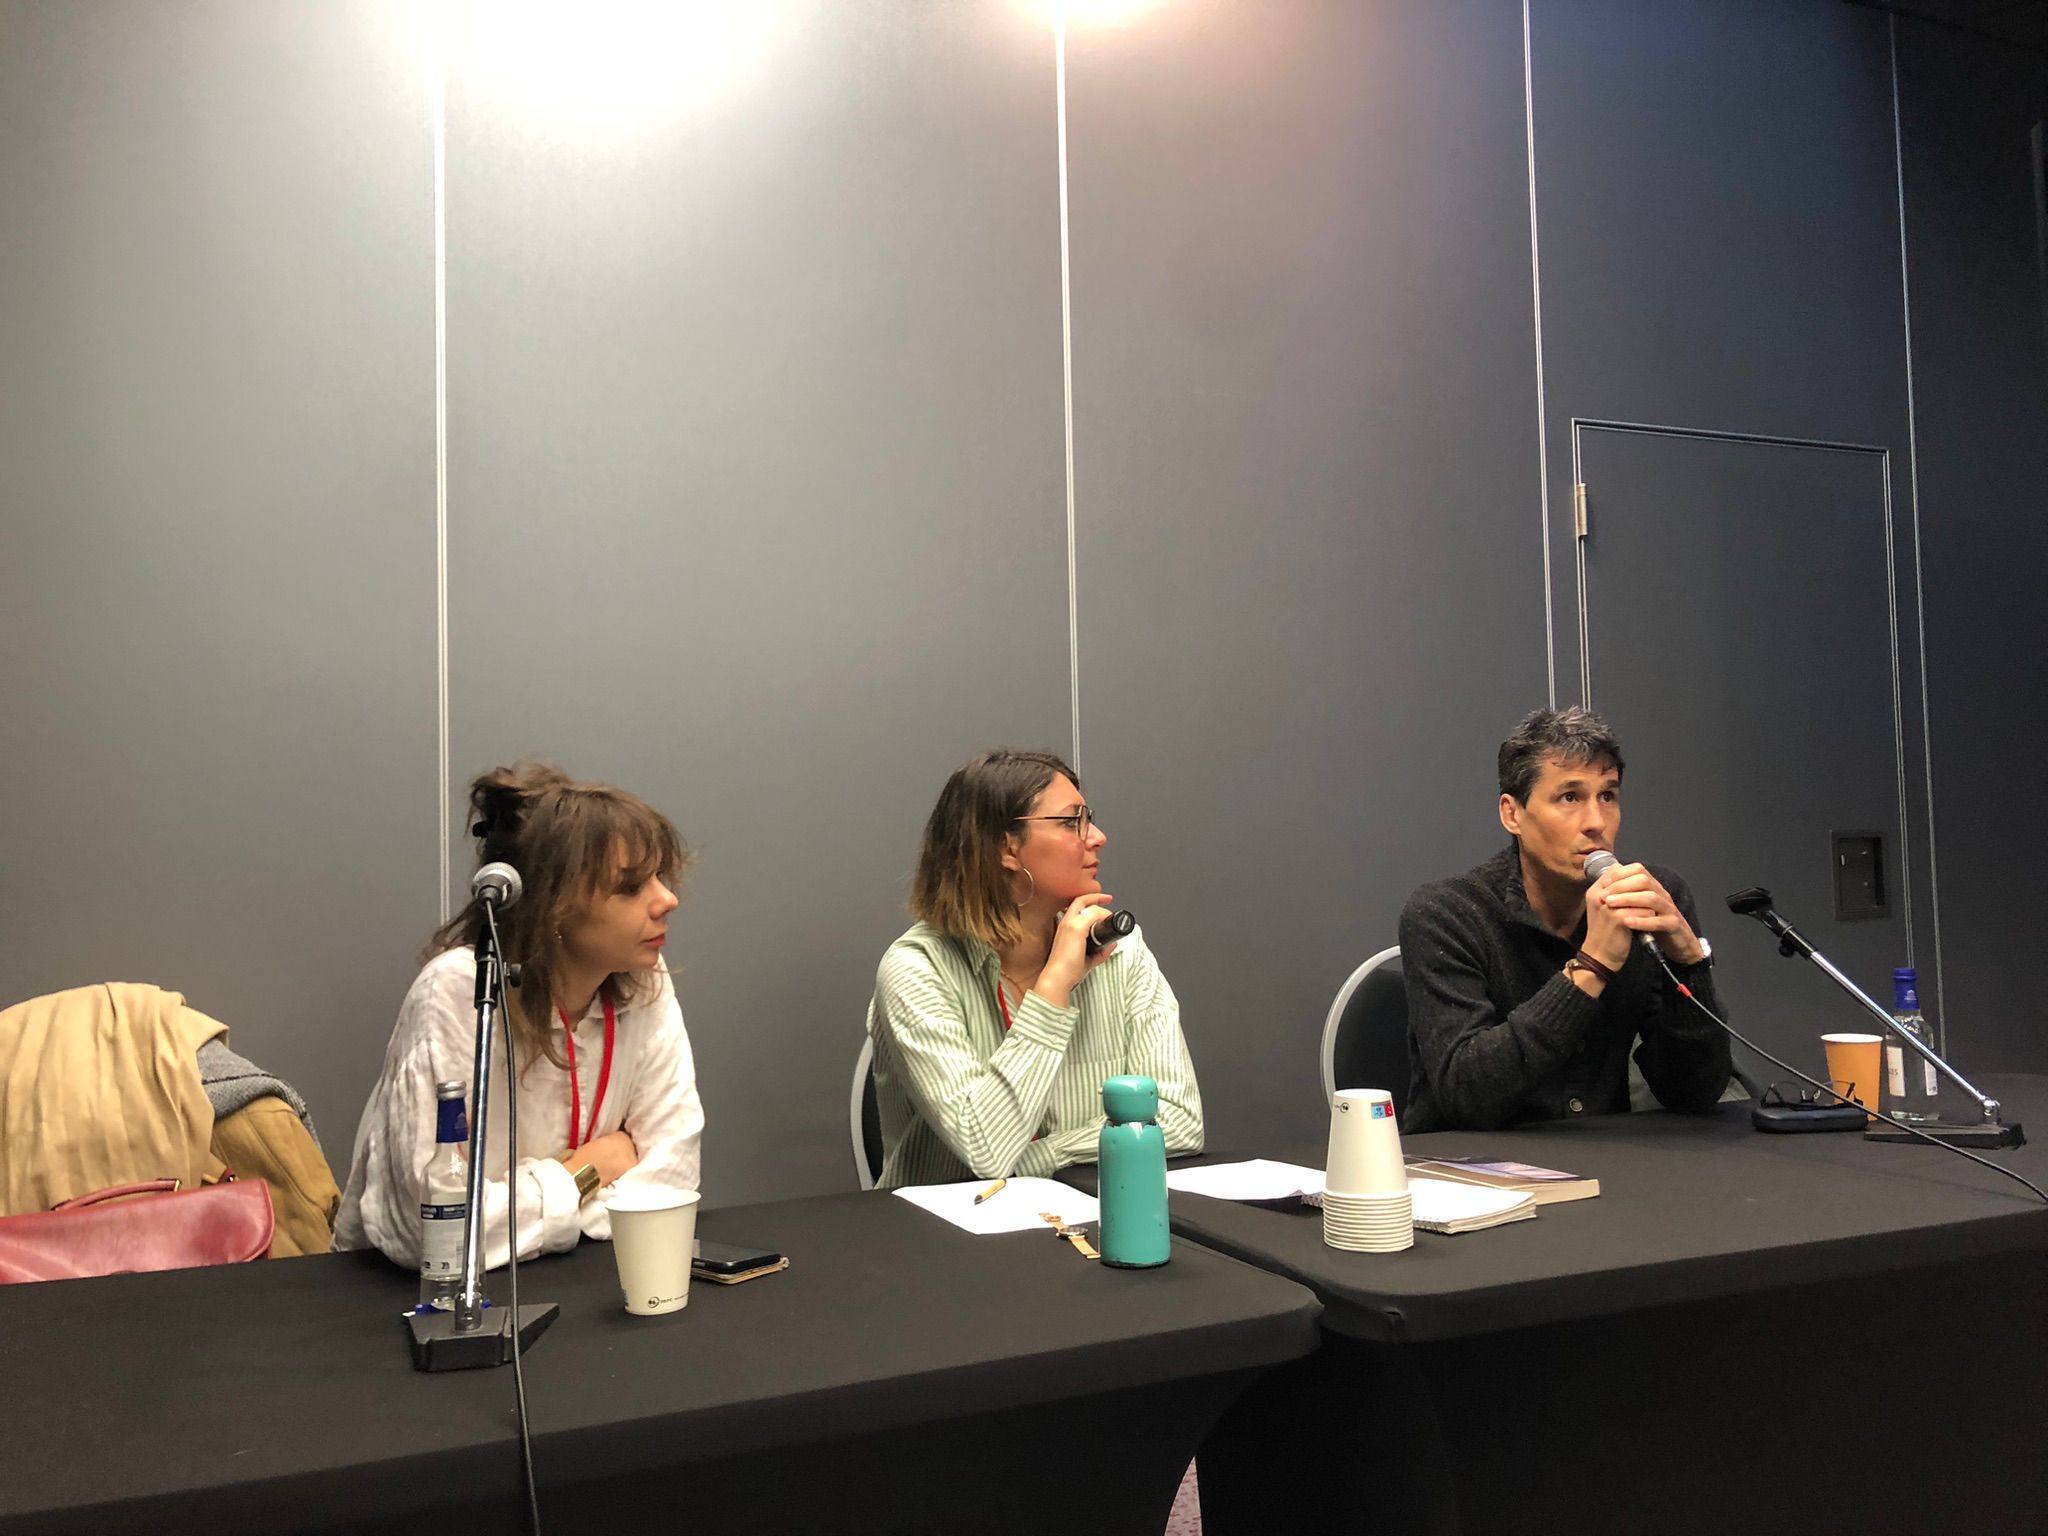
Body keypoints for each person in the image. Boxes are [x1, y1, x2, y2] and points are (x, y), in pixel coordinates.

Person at [336, 762, 704, 1269]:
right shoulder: (457, 990)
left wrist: (523, 1215)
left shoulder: (645, 980)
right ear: (554, 907)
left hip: (584, 1280)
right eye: (630, 886)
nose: (668, 899)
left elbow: (672, 1184)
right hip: (406, 1299)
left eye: (660, 877)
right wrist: (588, 1171)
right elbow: (435, 1230)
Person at [866, 749, 1203, 1188]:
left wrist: (1040, 1159)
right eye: (1071, 822)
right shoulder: (917, 969)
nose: (1098, 837)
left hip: (1083, 1214)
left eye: (1089, 819)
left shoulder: (1120, 951)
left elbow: (1179, 1121)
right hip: (947, 1225)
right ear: (1005, 847)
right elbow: (987, 1149)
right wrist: (1055, 985)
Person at [1399, 707, 1731, 1133]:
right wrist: (1592, 965)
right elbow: (1468, 1097)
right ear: (1512, 814)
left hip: (1603, 1160)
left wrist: (1690, 964)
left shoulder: (1649, 898)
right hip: (1466, 1164)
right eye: (1570, 797)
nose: (1596, 823)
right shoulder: (1447, 912)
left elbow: (1693, 1093)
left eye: (1607, 796)